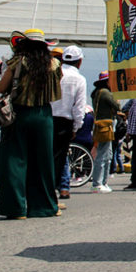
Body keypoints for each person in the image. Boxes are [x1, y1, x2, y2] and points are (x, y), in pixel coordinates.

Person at [0, 30, 62, 219]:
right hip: (44, 115)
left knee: (15, 159)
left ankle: (16, 208)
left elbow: (1, 88)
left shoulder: (18, 62)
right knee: (44, 162)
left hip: (20, 113)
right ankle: (45, 207)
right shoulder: (55, 64)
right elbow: (58, 85)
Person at [50, 46, 86, 199]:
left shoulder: (54, 73)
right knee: (59, 158)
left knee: (46, 157)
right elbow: (79, 107)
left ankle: (46, 190)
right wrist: (76, 127)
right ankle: (57, 190)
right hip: (65, 121)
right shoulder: (79, 79)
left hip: (47, 117)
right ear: (80, 62)